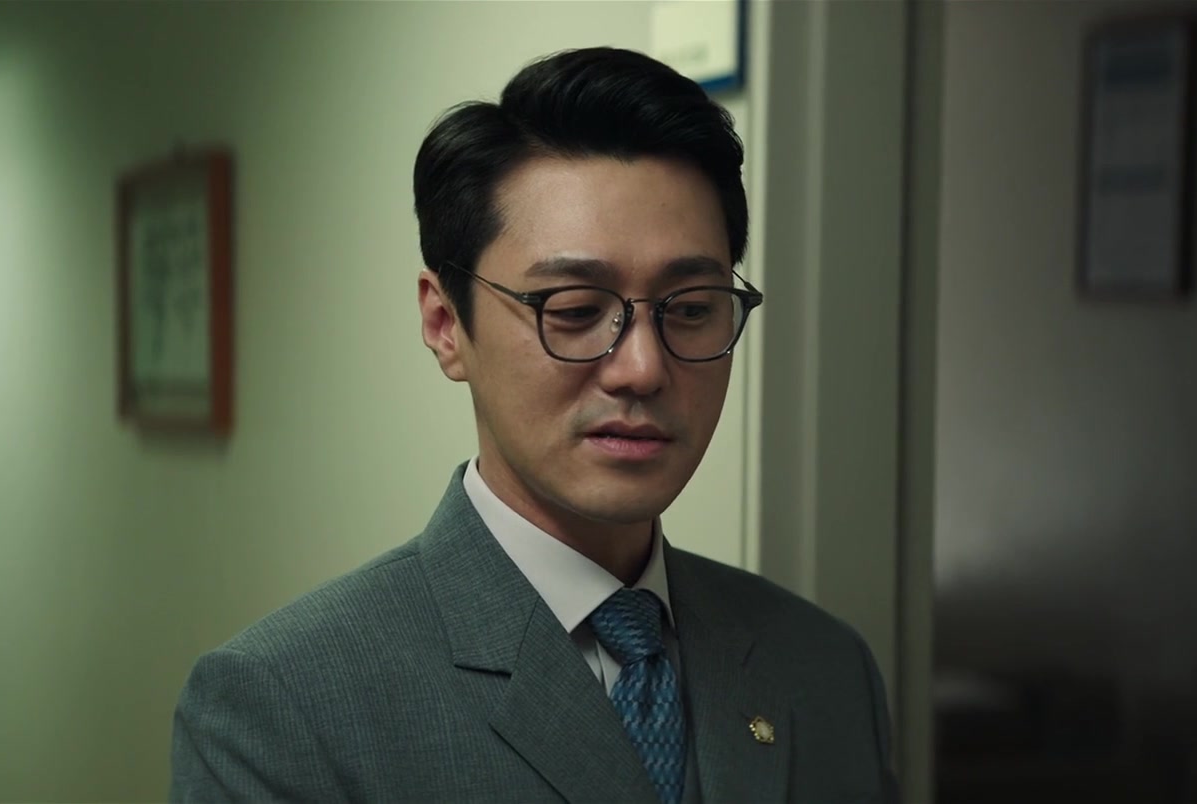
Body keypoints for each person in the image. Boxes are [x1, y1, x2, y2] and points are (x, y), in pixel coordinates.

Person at [169, 46, 900, 803]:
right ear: (446, 325)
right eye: (575, 311)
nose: (642, 368)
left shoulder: (822, 667)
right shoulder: (284, 706)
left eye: (689, 309)